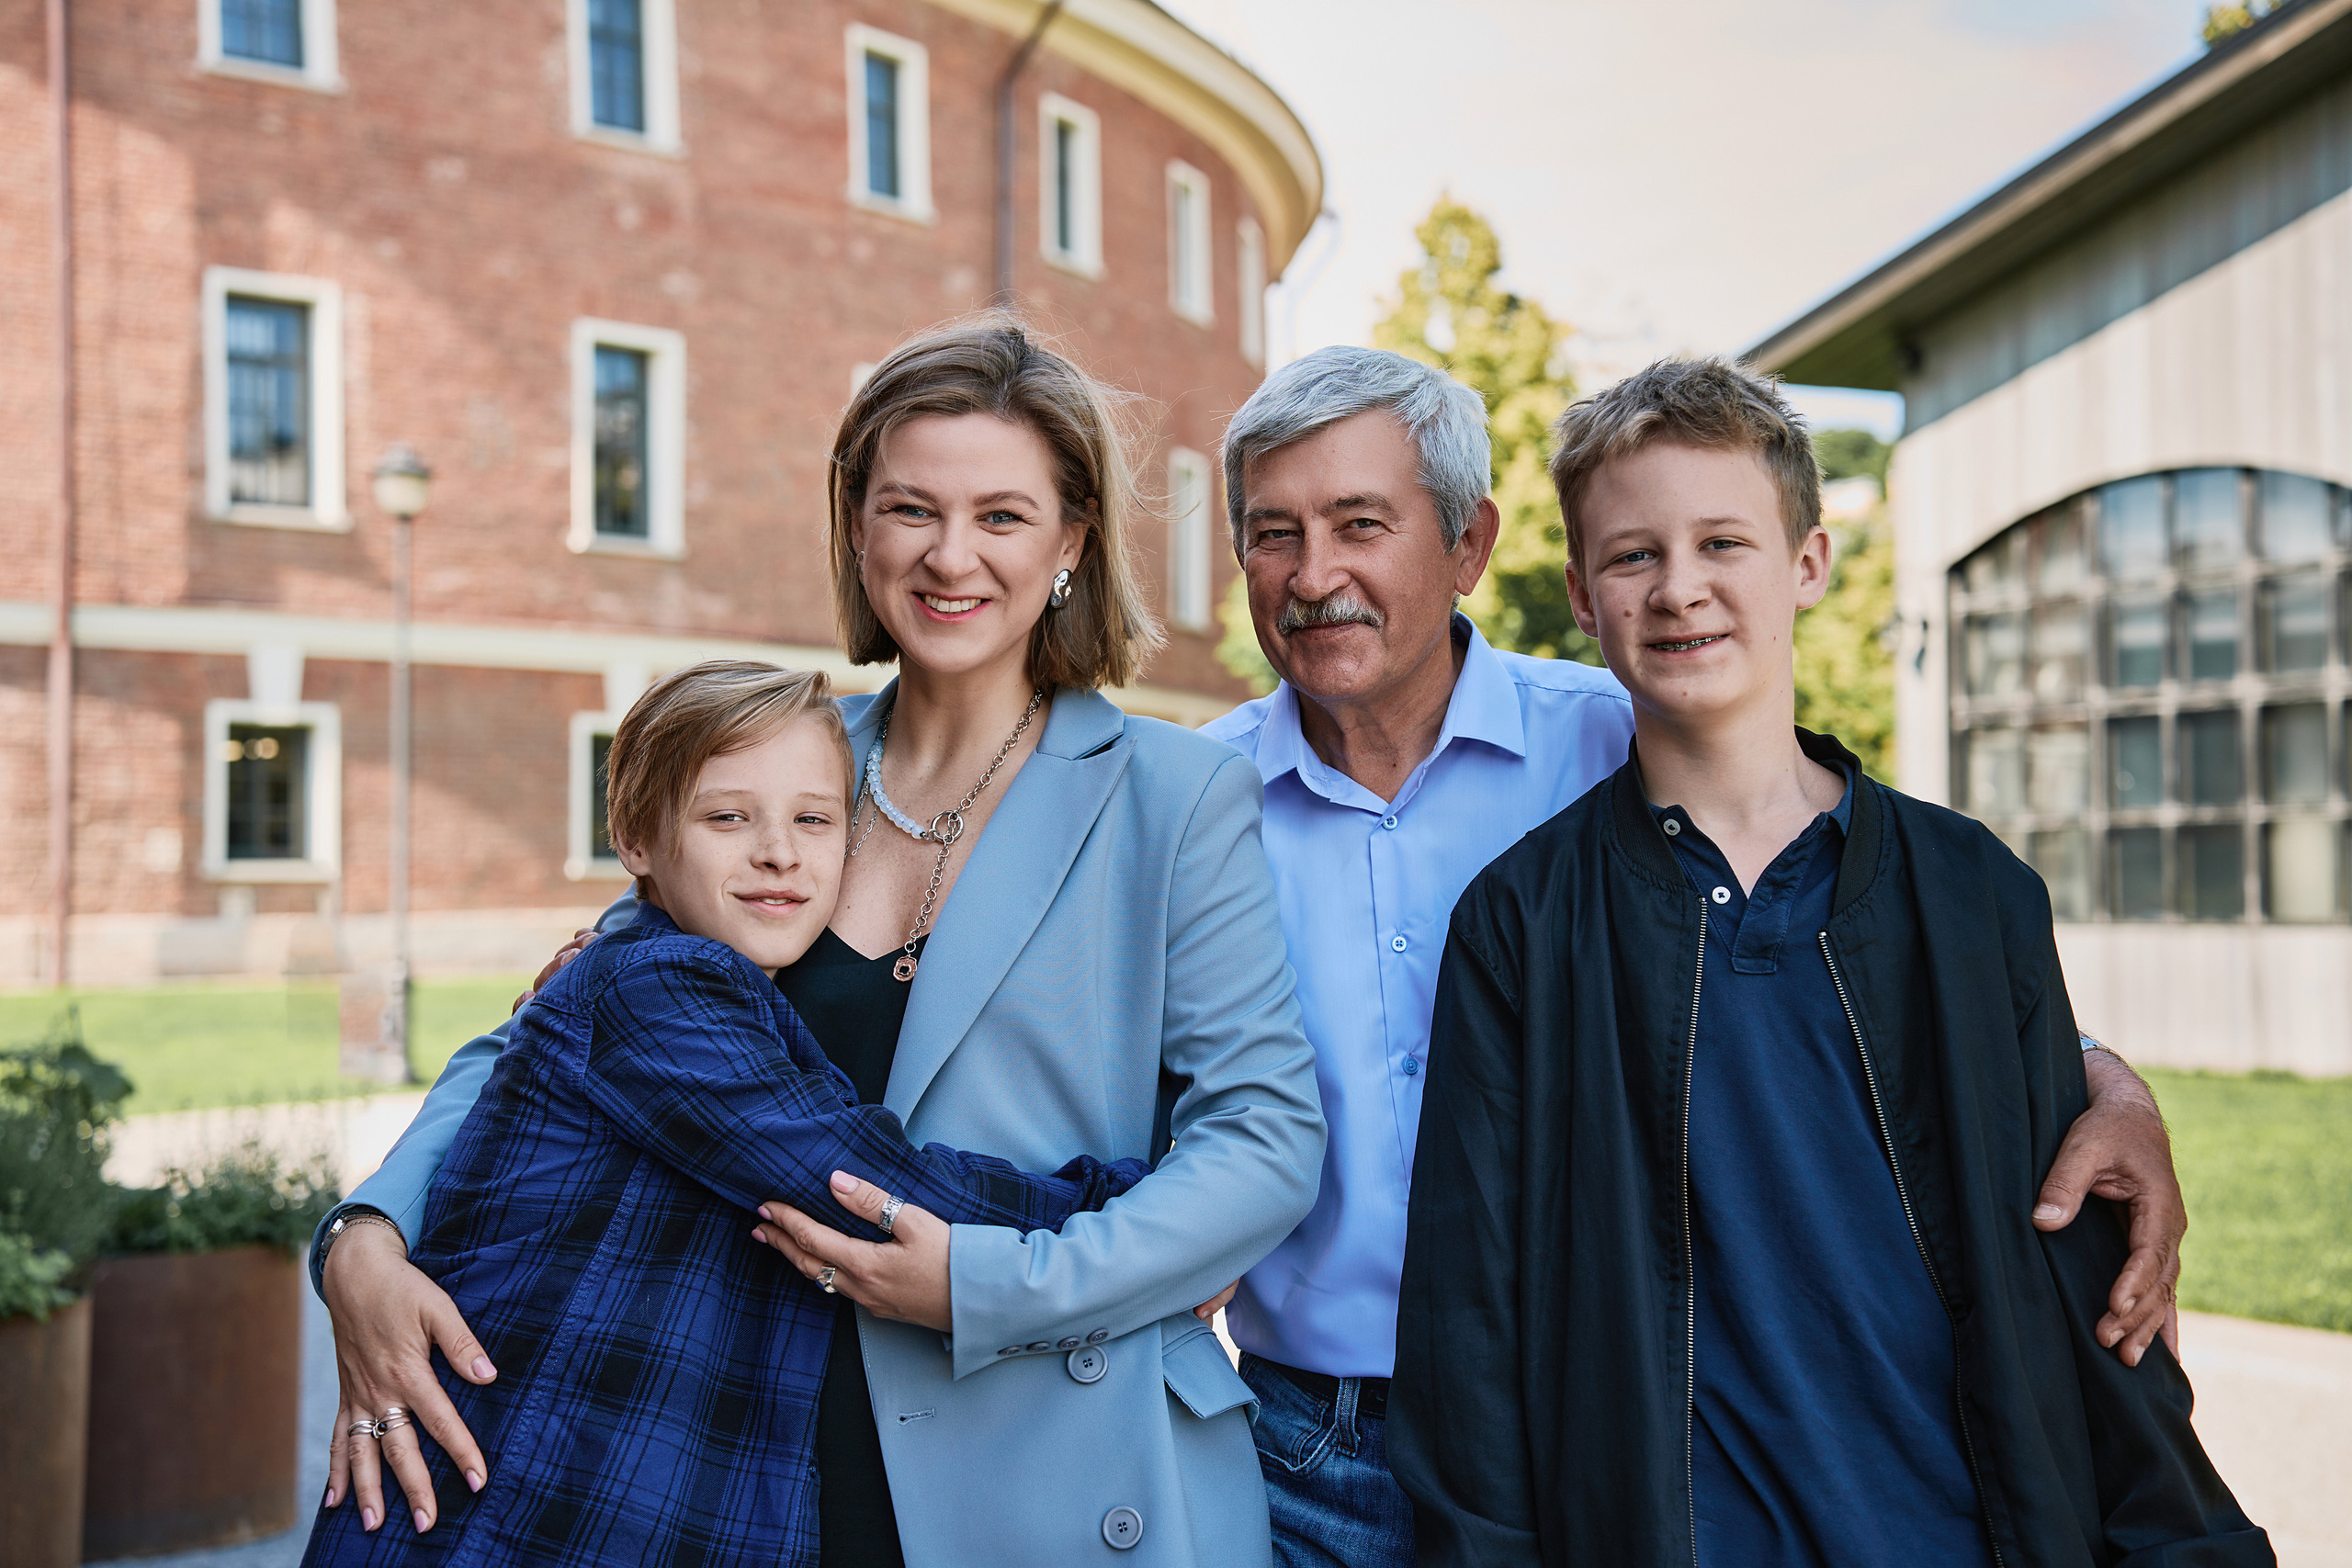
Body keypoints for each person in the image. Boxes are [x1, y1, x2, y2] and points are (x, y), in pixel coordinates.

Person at [308, 321, 1325, 1566]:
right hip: (751, 1443)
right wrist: (364, 1237)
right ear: (857, 526)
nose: (951, 555)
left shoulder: (1175, 794)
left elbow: (1263, 1141)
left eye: (1003, 516)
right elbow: (557, 1026)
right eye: (911, 508)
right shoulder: (776, 756)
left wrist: (994, 1284)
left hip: (1047, 1438)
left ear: (1072, 542)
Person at [1200, 345, 2194, 1568]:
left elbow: (1889, 948)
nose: (1315, 574)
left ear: (1468, 546)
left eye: (1361, 523)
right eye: (1274, 534)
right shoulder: (1188, 809)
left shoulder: (1628, 736)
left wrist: (2103, 1078)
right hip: (1315, 1436)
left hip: (1605, 1407)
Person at [301, 660, 1157, 1567]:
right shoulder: (657, 983)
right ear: (636, 839)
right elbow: (861, 1179)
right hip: (507, 1515)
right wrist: (1136, 1207)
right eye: (727, 818)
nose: (778, 852)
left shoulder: (710, 987)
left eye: (813, 820)